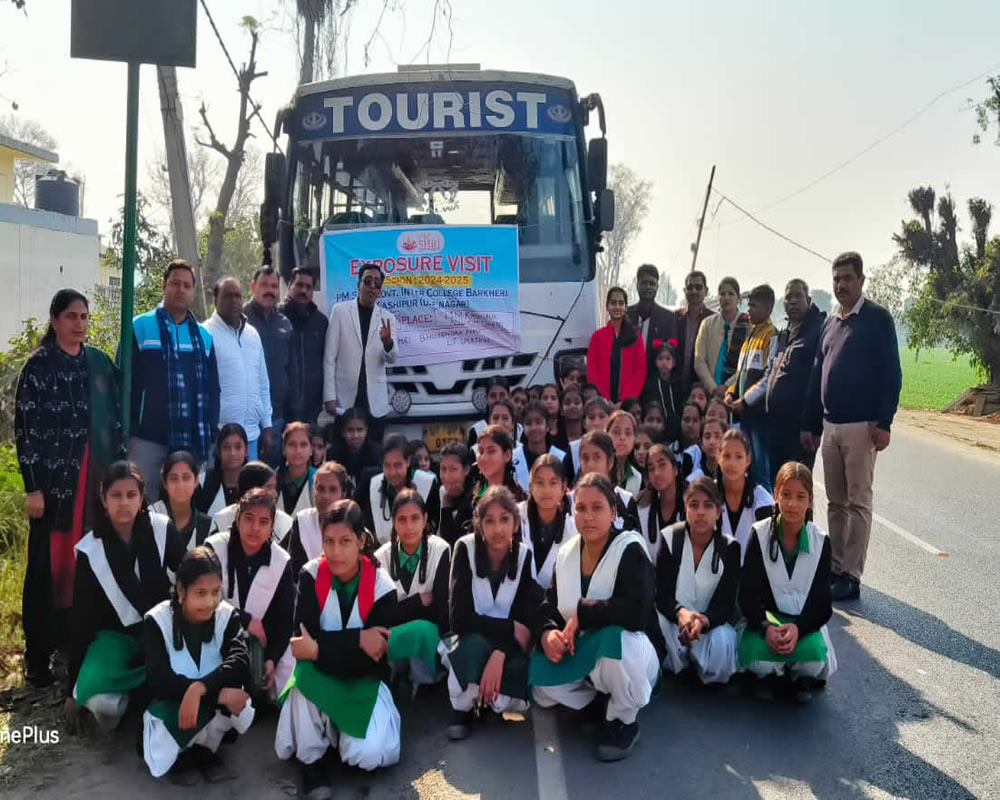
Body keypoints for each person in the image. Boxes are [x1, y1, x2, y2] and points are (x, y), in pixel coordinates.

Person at [15, 289, 125, 687]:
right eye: (71, 317)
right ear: (55, 320)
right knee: (47, 568)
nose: (79, 324)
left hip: (93, 481)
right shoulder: (39, 366)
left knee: (87, 562)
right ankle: (37, 657)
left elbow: (115, 416)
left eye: (84, 317)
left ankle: (75, 644)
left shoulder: (97, 363)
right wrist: (33, 487)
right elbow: (25, 430)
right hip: (55, 487)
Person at [530, 473, 662, 762]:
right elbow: (548, 604)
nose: (588, 516)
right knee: (541, 681)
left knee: (616, 639)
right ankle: (598, 703)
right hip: (589, 657)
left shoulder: (630, 547)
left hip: (636, 653)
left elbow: (636, 614)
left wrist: (583, 613)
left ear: (613, 513)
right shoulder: (567, 553)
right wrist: (548, 632)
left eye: (597, 508)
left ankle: (623, 720)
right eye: (581, 508)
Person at [274, 500, 401, 794]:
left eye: (345, 541)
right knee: (303, 676)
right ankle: (312, 761)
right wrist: (358, 639)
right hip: (319, 677)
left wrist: (319, 649)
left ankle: (337, 735)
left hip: (363, 682)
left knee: (368, 755)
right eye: (328, 541)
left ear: (361, 541)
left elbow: (370, 660)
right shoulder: (310, 575)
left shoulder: (382, 587)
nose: (335, 551)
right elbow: (301, 643)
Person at [802, 252, 901, 602]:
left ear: (861, 280)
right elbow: (818, 373)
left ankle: (851, 576)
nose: (841, 284)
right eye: (836, 279)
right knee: (835, 502)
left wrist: (884, 422)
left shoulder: (877, 319)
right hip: (830, 426)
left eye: (847, 278)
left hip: (863, 426)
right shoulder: (831, 323)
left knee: (858, 501)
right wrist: (811, 423)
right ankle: (836, 567)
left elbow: (892, 373)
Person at [66, 462, 184, 733]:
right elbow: (81, 621)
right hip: (114, 639)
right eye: (116, 495)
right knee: (102, 702)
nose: (124, 503)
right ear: (103, 499)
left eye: (131, 495)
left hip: (161, 632)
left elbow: (190, 575)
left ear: (141, 497)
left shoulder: (161, 528)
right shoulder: (90, 550)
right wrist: (71, 689)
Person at [141, 547, 254, 783]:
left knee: (238, 695)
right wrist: (217, 694)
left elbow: (240, 661)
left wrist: (200, 688)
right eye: (200, 593)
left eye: (216, 592)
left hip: (203, 700)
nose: (210, 602)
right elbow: (160, 681)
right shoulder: (157, 620)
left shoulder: (226, 615)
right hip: (174, 705)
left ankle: (205, 750)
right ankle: (178, 757)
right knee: (172, 707)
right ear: (181, 590)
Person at [440, 487, 540, 740]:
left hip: (506, 647)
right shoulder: (465, 549)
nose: (498, 529)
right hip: (467, 639)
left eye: (504, 519)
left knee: (522, 677)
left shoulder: (524, 555)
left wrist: (500, 653)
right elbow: (459, 619)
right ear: (480, 525)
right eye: (489, 521)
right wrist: (510, 628)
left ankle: (486, 702)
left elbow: (524, 621)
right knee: (470, 648)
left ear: (515, 524)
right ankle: (461, 710)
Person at [739, 462, 837, 702]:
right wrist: (766, 628)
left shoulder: (820, 542)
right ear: (776, 495)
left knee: (814, 657)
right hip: (768, 620)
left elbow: (822, 603)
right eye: (786, 495)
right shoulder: (759, 533)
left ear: (810, 501)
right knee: (755, 657)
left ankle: (795, 677)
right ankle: (776, 676)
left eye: (800, 496)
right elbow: (748, 595)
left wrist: (798, 629)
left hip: (801, 623)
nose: (792, 503)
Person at [126, 260, 220, 499]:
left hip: (192, 441)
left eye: (187, 285)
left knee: (183, 505)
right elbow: (123, 383)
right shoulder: (140, 327)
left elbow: (213, 390)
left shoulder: (204, 336)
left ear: (193, 291)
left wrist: (210, 432)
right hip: (147, 439)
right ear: (163, 286)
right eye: (175, 283)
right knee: (145, 503)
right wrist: (131, 430)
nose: (181, 290)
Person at [205, 488, 295, 700]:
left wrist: (271, 658)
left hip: (259, 643)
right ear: (237, 518)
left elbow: (283, 621)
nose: (255, 528)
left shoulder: (280, 561)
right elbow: (203, 600)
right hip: (214, 633)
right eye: (249, 518)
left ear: (272, 526)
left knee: (289, 668)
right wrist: (245, 621)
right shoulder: (214, 548)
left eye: (264, 522)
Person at [656, 477, 740, 685]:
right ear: (685, 509)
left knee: (722, 640)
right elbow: (662, 596)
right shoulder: (669, 538)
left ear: (718, 512)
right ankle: (679, 665)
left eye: (708, 505)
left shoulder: (730, 548)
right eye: (694, 505)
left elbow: (725, 606)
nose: (700, 512)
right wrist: (681, 613)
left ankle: (702, 668)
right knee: (657, 622)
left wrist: (703, 621)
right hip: (676, 622)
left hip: (708, 628)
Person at [374, 490, 451, 693]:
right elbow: (380, 615)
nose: (409, 526)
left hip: (430, 638)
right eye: (402, 519)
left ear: (425, 519)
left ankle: (426, 686)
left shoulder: (440, 550)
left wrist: (400, 610)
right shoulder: (380, 557)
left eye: (415, 518)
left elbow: (441, 611)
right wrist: (418, 602)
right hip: (393, 637)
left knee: (424, 631)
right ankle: (393, 682)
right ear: (393, 522)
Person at [324, 263, 397, 446]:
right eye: (368, 281)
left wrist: (387, 342)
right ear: (359, 284)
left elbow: (392, 358)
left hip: (374, 402)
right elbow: (329, 358)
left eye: (377, 283)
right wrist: (329, 397)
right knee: (342, 452)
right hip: (345, 400)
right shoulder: (340, 311)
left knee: (373, 453)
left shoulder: (388, 318)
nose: (372, 286)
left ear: (380, 291)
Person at [205, 277, 273, 461]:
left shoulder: (253, 335)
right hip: (219, 437)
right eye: (228, 296)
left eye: (238, 296)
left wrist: (267, 425)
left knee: (250, 480)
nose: (234, 301)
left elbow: (263, 383)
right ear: (215, 300)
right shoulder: (205, 334)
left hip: (251, 437)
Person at [765, 279, 827, 482]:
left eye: (798, 296)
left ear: (808, 300)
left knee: (797, 485)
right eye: (788, 297)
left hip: (800, 431)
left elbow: (818, 381)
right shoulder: (784, 334)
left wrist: (812, 426)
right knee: (778, 484)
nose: (792, 301)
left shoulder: (817, 332)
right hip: (777, 427)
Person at [725, 284, 778, 491]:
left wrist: (746, 400)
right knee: (747, 467)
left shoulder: (771, 335)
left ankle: (767, 508)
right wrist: (731, 393)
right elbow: (740, 373)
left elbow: (768, 376)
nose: (749, 310)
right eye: (748, 306)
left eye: (754, 306)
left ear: (768, 308)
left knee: (761, 470)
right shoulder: (751, 335)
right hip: (742, 413)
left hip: (758, 415)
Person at [245, 266, 298, 465]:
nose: (270, 290)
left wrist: (294, 412)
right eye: (264, 285)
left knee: (272, 472)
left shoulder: (285, 323)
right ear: (253, 287)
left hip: (277, 414)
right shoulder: (241, 319)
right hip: (247, 417)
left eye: (274, 286)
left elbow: (292, 370)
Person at [356, 434, 440, 544]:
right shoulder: (371, 485)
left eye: (397, 465)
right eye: (387, 465)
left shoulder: (428, 484)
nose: (392, 472)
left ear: (408, 461)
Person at [283, 460, 354, 578]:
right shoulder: (302, 522)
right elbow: (293, 573)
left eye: (332, 490)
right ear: (313, 491)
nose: (326, 496)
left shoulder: (354, 524)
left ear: (343, 494)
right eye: (320, 489)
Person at [279, 267, 329, 425]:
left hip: (311, 407)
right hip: (280, 408)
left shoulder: (321, 322)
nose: (303, 291)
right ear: (289, 285)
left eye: (308, 287)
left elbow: (327, 361)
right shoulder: (276, 317)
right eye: (299, 285)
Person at [717, 430, 774, 561]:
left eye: (738, 456)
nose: (732, 463)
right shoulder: (708, 495)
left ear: (748, 459)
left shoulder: (763, 501)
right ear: (718, 458)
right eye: (726, 456)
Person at [520, 455, 575, 590]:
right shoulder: (515, 517)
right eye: (540, 483)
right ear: (530, 487)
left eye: (553, 483)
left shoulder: (573, 529)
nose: (546, 490)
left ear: (563, 488)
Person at [587, 287, 647, 404]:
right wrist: (605, 400)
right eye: (613, 303)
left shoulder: (635, 336)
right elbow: (592, 372)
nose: (617, 307)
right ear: (607, 307)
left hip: (627, 403)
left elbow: (640, 372)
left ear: (626, 308)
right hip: (602, 403)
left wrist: (624, 400)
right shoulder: (597, 337)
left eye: (621, 303)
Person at [693, 277, 750, 398]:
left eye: (731, 294)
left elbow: (748, 363)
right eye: (722, 294)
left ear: (738, 298)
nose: (726, 298)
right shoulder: (707, 324)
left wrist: (727, 386)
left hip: (735, 393)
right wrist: (713, 388)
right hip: (709, 392)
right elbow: (699, 360)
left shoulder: (748, 325)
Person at [213, 461, 295, 542]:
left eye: (274, 487)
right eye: (268, 487)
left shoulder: (285, 523)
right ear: (251, 488)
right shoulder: (221, 520)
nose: (275, 493)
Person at [575, 431, 640, 532]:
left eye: (597, 457)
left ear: (610, 462)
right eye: (585, 458)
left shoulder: (625, 500)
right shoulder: (569, 501)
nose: (590, 464)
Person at [152, 452, 214, 550]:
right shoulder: (151, 516)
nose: (180, 485)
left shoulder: (208, 526)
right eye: (174, 478)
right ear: (164, 483)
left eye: (186, 477)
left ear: (196, 481)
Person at [636, 444, 684, 560]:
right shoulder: (642, 508)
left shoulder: (691, 506)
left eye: (662, 465)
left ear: (675, 469)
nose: (656, 473)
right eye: (651, 468)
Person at [626, 263, 678, 371]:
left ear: (657, 287)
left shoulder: (668, 318)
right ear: (637, 285)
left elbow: (671, 353)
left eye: (652, 284)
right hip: (627, 376)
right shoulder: (626, 315)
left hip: (654, 377)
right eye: (644, 283)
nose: (648, 287)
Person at [476, 398, 531, 489]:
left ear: (513, 424)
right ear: (489, 422)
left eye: (505, 418)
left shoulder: (523, 452)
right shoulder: (476, 450)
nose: (500, 422)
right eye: (495, 418)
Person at [195, 424, 248, 518]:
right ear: (219, 451)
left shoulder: (257, 485)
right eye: (226, 447)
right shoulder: (203, 482)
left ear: (246, 451)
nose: (232, 453)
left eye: (238, 447)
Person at [675, 270, 715, 396]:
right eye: (690, 287)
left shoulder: (713, 320)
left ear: (706, 291)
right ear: (684, 290)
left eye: (698, 287)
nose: (694, 291)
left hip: (702, 389)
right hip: (675, 385)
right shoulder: (674, 317)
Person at [470, 425, 528, 505]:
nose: (484, 458)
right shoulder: (473, 497)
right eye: (481, 451)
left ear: (507, 455)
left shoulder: (518, 499)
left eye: (491, 451)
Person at [521, 401, 574, 484]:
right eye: (528, 423)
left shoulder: (562, 457)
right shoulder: (514, 457)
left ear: (547, 426)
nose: (534, 428)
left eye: (538, 422)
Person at [328, 408, 381, 491]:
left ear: (366, 431)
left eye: (360, 430)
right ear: (343, 432)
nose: (355, 435)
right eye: (350, 430)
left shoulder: (377, 453)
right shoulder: (333, 453)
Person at [640, 340, 682, 445]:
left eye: (668, 359)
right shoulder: (650, 384)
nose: (664, 362)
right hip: (657, 428)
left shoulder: (679, 384)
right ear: (655, 361)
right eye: (660, 358)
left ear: (674, 362)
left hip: (676, 431)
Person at [437, 442, 474, 546]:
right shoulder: (442, 491)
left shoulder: (474, 496)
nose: (446, 476)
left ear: (466, 470)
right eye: (443, 469)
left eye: (453, 469)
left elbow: (454, 541)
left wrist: (446, 506)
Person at [277, 422, 318, 517]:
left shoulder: (319, 480)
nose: (298, 450)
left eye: (303, 445)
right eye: (292, 444)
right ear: (283, 449)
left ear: (311, 450)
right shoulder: (273, 480)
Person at [606, 410, 642, 496]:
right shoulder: (598, 470)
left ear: (634, 438)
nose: (622, 437)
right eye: (616, 432)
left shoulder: (636, 477)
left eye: (628, 433)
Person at [683, 416, 727, 481]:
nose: (712, 442)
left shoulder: (731, 475)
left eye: (717, 436)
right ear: (701, 443)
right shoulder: (694, 479)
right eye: (707, 437)